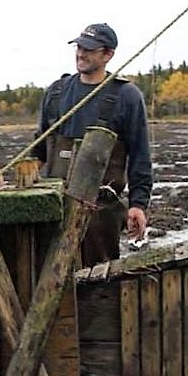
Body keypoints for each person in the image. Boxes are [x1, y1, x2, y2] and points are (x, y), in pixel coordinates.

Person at [31, 23, 153, 266]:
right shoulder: (56, 93)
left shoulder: (126, 96)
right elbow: (39, 151)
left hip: (101, 213)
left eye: (89, 48)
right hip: (55, 207)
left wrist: (138, 205)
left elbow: (140, 156)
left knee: (99, 285)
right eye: (78, 46)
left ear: (108, 55)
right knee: (47, 275)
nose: (80, 53)